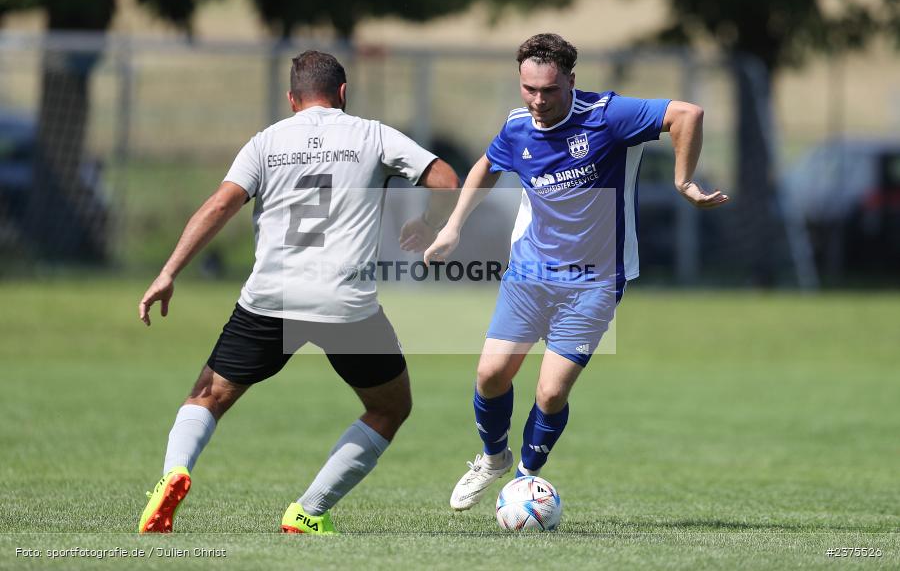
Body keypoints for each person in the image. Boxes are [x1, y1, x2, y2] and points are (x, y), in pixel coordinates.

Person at [136, 50, 459, 533]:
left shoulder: (265, 143)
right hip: (345, 303)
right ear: (343, 94)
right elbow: (448, 180)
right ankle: (308, 511)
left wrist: (168, 272)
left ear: (292, 99)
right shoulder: (371, 134)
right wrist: (429, 223)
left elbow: (220, 205)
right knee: (390, 408)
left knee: (207, 399)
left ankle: (174, 473)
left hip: (271, 298)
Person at [423, 33, 729, 511]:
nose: (538, 101)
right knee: (490, 376)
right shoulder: (519, 127)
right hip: (529, 272)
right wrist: (453, 226)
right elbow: (487, 164)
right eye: (528, 89)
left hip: (595, 281)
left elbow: (687, 114)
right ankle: (492, 458)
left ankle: (525, 479)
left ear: (570, 79)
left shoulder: (608, 116)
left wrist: (683, 179)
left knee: (550, 391)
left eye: (548, 90)